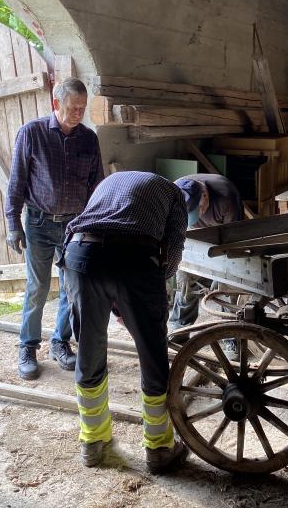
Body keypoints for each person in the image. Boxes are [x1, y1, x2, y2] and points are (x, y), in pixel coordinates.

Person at [60, 171, 189, 472]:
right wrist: (146, 299)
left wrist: (120, 300)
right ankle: (159, 449)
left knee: (89, 351)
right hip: (135, 261)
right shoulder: (174, 194)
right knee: (153, 355)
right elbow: (172, 254)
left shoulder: (110, 182)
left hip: (80, 256)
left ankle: (93, 442)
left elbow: (91, 228)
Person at [5, 77, 104, 380]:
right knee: (37, 288)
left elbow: (97, 186)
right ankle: (27, 347)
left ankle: (60, 342)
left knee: (72, 288)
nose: (78, 114)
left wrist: (97, 225)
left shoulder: (89, 139)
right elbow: (16, 182)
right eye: (73, 108)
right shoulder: (32, 133)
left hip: (75, 225)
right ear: (56, 103)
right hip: (38, 223)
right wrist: (13, 224)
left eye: (82, 108)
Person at [169, 174, 244, 347]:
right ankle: (180, 329)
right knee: (185, 281)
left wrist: (221, 272)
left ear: (204, 195)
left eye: (198, 210)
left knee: (227, 287)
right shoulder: (174, 193)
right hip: (191, 240)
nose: (198, 215)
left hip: (223, 240)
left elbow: (234, 240)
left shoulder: (226, 199)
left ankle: (230, 336)